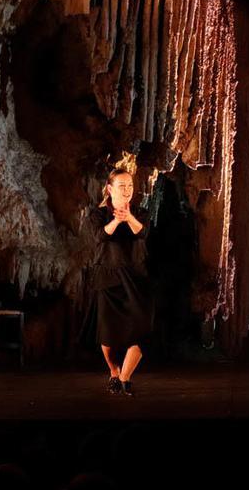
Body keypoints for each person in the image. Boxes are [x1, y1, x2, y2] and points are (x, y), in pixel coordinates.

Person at [82, 168, 152, 396]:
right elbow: (99, 236)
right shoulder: (98, 214)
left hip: (135, 277)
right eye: (122, 186)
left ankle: (125, 378)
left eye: (130, 186)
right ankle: (114, 371)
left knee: (142, 327)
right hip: (109, 277)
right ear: (110, 189)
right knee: (108, 332)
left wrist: (128, 217)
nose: (127, 190)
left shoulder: (140, 212)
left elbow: (142, 233)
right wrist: (115, 220)